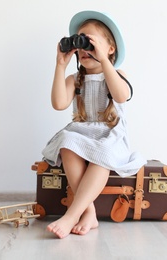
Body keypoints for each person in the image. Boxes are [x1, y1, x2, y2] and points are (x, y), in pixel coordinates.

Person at [42, 10, 146, 239]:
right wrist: (61, 65)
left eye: (90, 43)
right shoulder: (75, 79)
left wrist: (106, 62)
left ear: (110, 49)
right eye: (80, 43)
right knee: (67, 140)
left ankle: (72, 214)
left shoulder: (116, 74)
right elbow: (59, 103)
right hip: (83, 133)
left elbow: (121, 95)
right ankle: (88, 211)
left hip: (109, 137)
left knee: (103, 153)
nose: (83, 50)